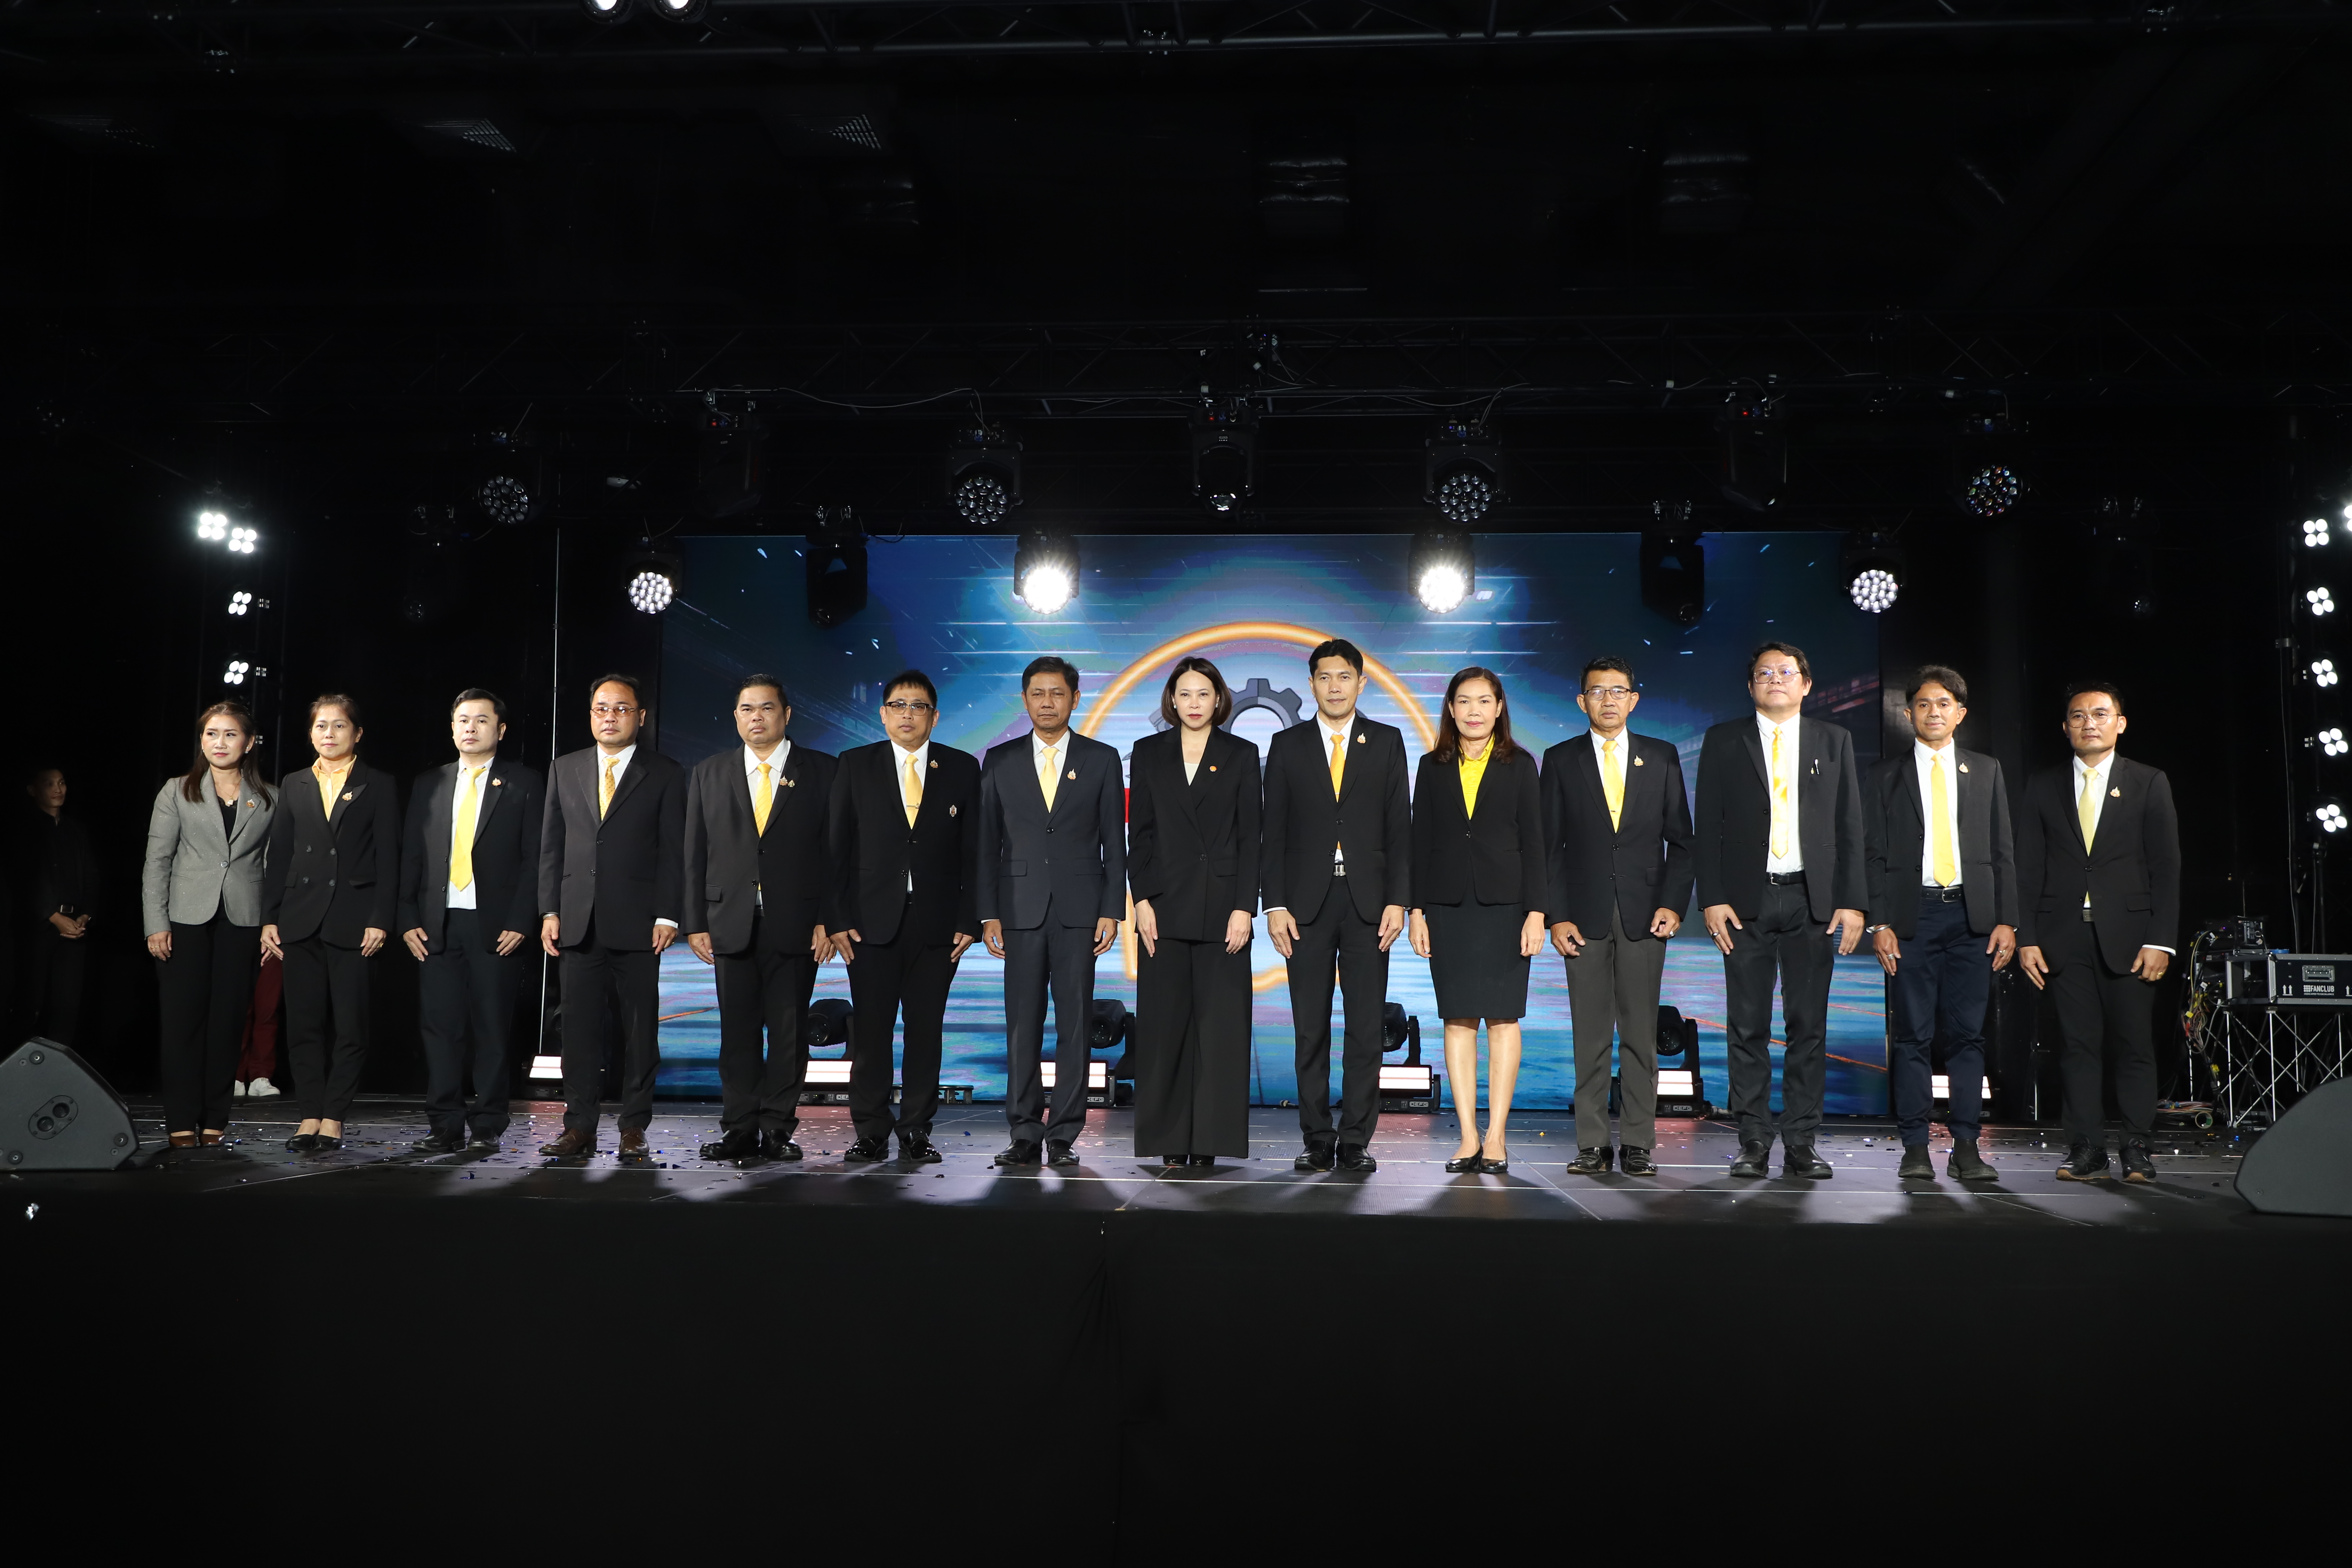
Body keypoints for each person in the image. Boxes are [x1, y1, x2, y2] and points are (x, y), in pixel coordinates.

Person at [1692, 642, 1867, 1179]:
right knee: (1746, 1025)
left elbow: (1850, 825)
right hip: (1745, 902)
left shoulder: (1833, 740)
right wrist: (1712, 897)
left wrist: (1853, 901)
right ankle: (1752, 1139)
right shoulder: (1725, 740)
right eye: (1764, 673)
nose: (1775, 679)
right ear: (1751, 686)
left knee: (1808, 1026)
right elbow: (1708, 824)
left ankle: (1802, 1141)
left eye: (1786, 672)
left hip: (1813, 901)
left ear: (1806, 684)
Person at [2015, 682, 2179, 1183]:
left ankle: (2137, 1146)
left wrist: (2161, 939)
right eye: (2078, 715)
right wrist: (2027, 936)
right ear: (2065, 727)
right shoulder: (2043, 785)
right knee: (2077, 1047)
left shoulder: (2148, 782)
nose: (2090, 723)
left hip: (2132, 938)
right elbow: (2028, 867)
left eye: (2101, 714)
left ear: (2120, 723)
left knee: (2134, 1045)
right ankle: (2085, 1148)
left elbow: (2166, 865)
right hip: (2062, 938)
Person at [1864, 666, 2019, 1182]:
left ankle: (1967, 1146)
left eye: (1945, 704)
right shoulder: (1884, 775)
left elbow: (2002, 850)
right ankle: (1915, 1147)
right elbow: (1872, 854)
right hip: (1913, 918)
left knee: (1968, 1036)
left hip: (1973, 918)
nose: (1934, 712)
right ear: (1909, 712)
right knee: (1912, 1036)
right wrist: (1879, 923)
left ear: (1961, 713)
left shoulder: (1986, 769)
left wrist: (2007, 920)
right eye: (1925, 704)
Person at [1540, 657, 1693, 1178]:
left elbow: (1683, 842)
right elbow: (1549, 848)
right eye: (1597, 691)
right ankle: (1591, 1143)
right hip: (1581, 918)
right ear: (1581, 701)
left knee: (1640, 1036)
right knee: (1590, 1036)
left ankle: (1638, 1144)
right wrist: (1557, 916)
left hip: (1646, 915)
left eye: (1618, 691)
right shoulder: (1560, 759)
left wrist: (1673, 904)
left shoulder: (1662, 755)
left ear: (1634, 699)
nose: (1608, 700)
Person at [1263, 638, 1411, 1173]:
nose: (1335, 686)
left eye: (1344, 677)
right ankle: (1317, 1136)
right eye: (1325, 677)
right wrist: (1275, 904)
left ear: (1361, 683)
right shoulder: (1287, 744)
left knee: (1366, 1026)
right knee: (1311, 1027)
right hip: (1305, 905)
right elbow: (1273, 831)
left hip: (1369, 903)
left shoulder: (1387, 741)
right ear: (1311, 684)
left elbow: (1400, 827)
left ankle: (1355, 1139)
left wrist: (1399, 899)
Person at [975, 656, 1126, 1168]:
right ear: (1024, 700)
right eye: (1037, 693)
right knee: (1022, 1024)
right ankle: (1023, 1131)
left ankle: (1063, 1134)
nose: (1047, 702)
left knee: (1075, 1025)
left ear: (1075, 699)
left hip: (1081, 910)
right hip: (1018, 908)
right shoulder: (999, 760)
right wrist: (988, 913)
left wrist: (1112, 909)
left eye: (1057, 693)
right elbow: (986, 843)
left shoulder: (1102, 758)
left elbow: (1115, 842)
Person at [827, 669, 979, 1165]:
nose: (907, 714)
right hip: (868, 924)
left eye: (918, 706)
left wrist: (970, 920)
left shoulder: (961, 768)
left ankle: (916, 1129)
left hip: (938, 925)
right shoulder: (855, 764)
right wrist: (836, 918)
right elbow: (835, 849)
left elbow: (975, 852)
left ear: (935, 716)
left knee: (925, 1033)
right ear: (883, 713)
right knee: (871, 1033)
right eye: (898, 705)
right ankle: (870, 1130)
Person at [684, 675, 837, 1163]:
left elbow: (836, 853)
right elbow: (694, 853)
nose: (757, 717)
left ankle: (777, 1129)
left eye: (767, 708)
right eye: (747, 709)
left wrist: (828, 918)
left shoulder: (823, 771)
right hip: (730, 921)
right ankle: (739, 1128)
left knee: (789, 1034)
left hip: (797, 923)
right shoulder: (709, 772)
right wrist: (695, 921)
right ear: (736, 717)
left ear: (786, 715)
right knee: (737, 1034)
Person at [537, 674, 686, 1162]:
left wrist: (668, 914)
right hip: (577, 921)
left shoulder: (664, 772)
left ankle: (634, 1126)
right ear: (591, 715)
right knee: (579, 1031)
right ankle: (579, 1126)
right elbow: (552, 846)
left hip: (640, 924)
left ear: (640, 717)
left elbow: (674, 851)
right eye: (602, 708)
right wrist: (550, 909)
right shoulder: (565, 768)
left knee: (640, 1033)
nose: (610, 717)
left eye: (621, 709)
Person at [1409, 668, 1546, 1174]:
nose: (1474, 711)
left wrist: (1537, 912)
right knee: (1458, 1019)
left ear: (1499, 707)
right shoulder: (1431, 766)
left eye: (1484, 701)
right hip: (1447, 907)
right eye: (1464, 701)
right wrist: (1416, 910)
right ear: (1450, 708)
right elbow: (1419, 842)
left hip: (1507, 907)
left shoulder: (1520, 765)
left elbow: (1536, 843)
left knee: (1503, 1019)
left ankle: (1496, 1136)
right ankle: (1468, 1135)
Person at [398, 688, 546, 1155]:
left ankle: (488, 1123)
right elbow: (412, 854)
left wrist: (522, 919)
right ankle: (444, 1123)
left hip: (497, 926)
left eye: (481, 720)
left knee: (492, 1028)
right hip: (436, 924)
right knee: (441, 1029)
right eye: (463, 719)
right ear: (452, 728)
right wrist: (407, 917)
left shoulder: (525, 782)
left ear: (500, 730)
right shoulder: (431, 782)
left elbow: (535, 858)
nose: (470, 727)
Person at [1128, 658, 1260, 1168]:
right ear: (1172, 700)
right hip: (1163, 906)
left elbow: (1251, 837)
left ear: (1219, 699)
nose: (1195, 703)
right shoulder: (1148, 752)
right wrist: (1141, 901)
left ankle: (1209, 1139)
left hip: (1223, 907)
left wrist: (1244, 907)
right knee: (1164, 1029)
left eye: (1204, 693)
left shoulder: (1241, 753)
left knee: (1220, 1030)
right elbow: (1139, 835)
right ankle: (1169, 1138)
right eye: (1185, 694)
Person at [261, 695, 399, 1153]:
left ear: (357, 733)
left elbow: (389, 857)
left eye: (339, 726)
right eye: (321, 725)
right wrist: (269, 917)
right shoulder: (295, 782)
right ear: (311, 732)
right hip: (300, 918)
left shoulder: (377, 783)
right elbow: (280, 853)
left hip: (354, 920)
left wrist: (381, 918)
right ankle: (309, 1113)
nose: (329, 734)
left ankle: (334, 1114)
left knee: (351, 1026)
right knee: (303, 1024)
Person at [142, 704, 276, 1148]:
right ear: (201, 740)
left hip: (243, 920)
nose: (220, 742)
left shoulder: (269, 798)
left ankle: (216, 1121)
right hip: (184, 920)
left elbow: (273, 866)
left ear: (249, 742)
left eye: (230, 734)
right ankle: (181, 1122)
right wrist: (156, 922)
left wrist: (270, 922)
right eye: (211, 734)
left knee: (227, 1023)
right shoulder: (177, 790)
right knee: (183, 1023)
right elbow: (157, 861)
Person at [16, 765, 100, 1048]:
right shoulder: (22, 829)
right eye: (49, 784)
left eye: (62, 783)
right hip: (38, 929)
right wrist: (52, 916)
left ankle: (59, 1067)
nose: (58, 789)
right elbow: (22, 880)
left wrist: (86, 915)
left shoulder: (76, 830)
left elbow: (92, 876)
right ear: (33, 790)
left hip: (74, 928)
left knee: (68, 1007)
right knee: (30, 1003)